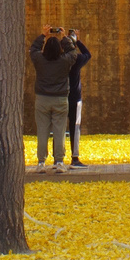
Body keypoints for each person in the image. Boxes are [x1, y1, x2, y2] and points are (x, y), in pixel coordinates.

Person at [29, 28, 78, 169]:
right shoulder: (64, 61)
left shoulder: (39, 60)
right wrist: (64, 38)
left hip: (42, 98)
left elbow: (33, 50)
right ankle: (59, 161)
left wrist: (43, 35)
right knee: (59, 131)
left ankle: (41, 162)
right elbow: (73, 53)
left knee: (42, 130)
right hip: (60, 98)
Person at [66, 28, 92, 167]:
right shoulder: (77, 59)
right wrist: (78, 41)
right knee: (75, 127)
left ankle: (57, 159)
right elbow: (88, 54)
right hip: (75, 98)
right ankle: (74, 157)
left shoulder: (59, 60)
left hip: (60, 97)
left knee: (58, 129)